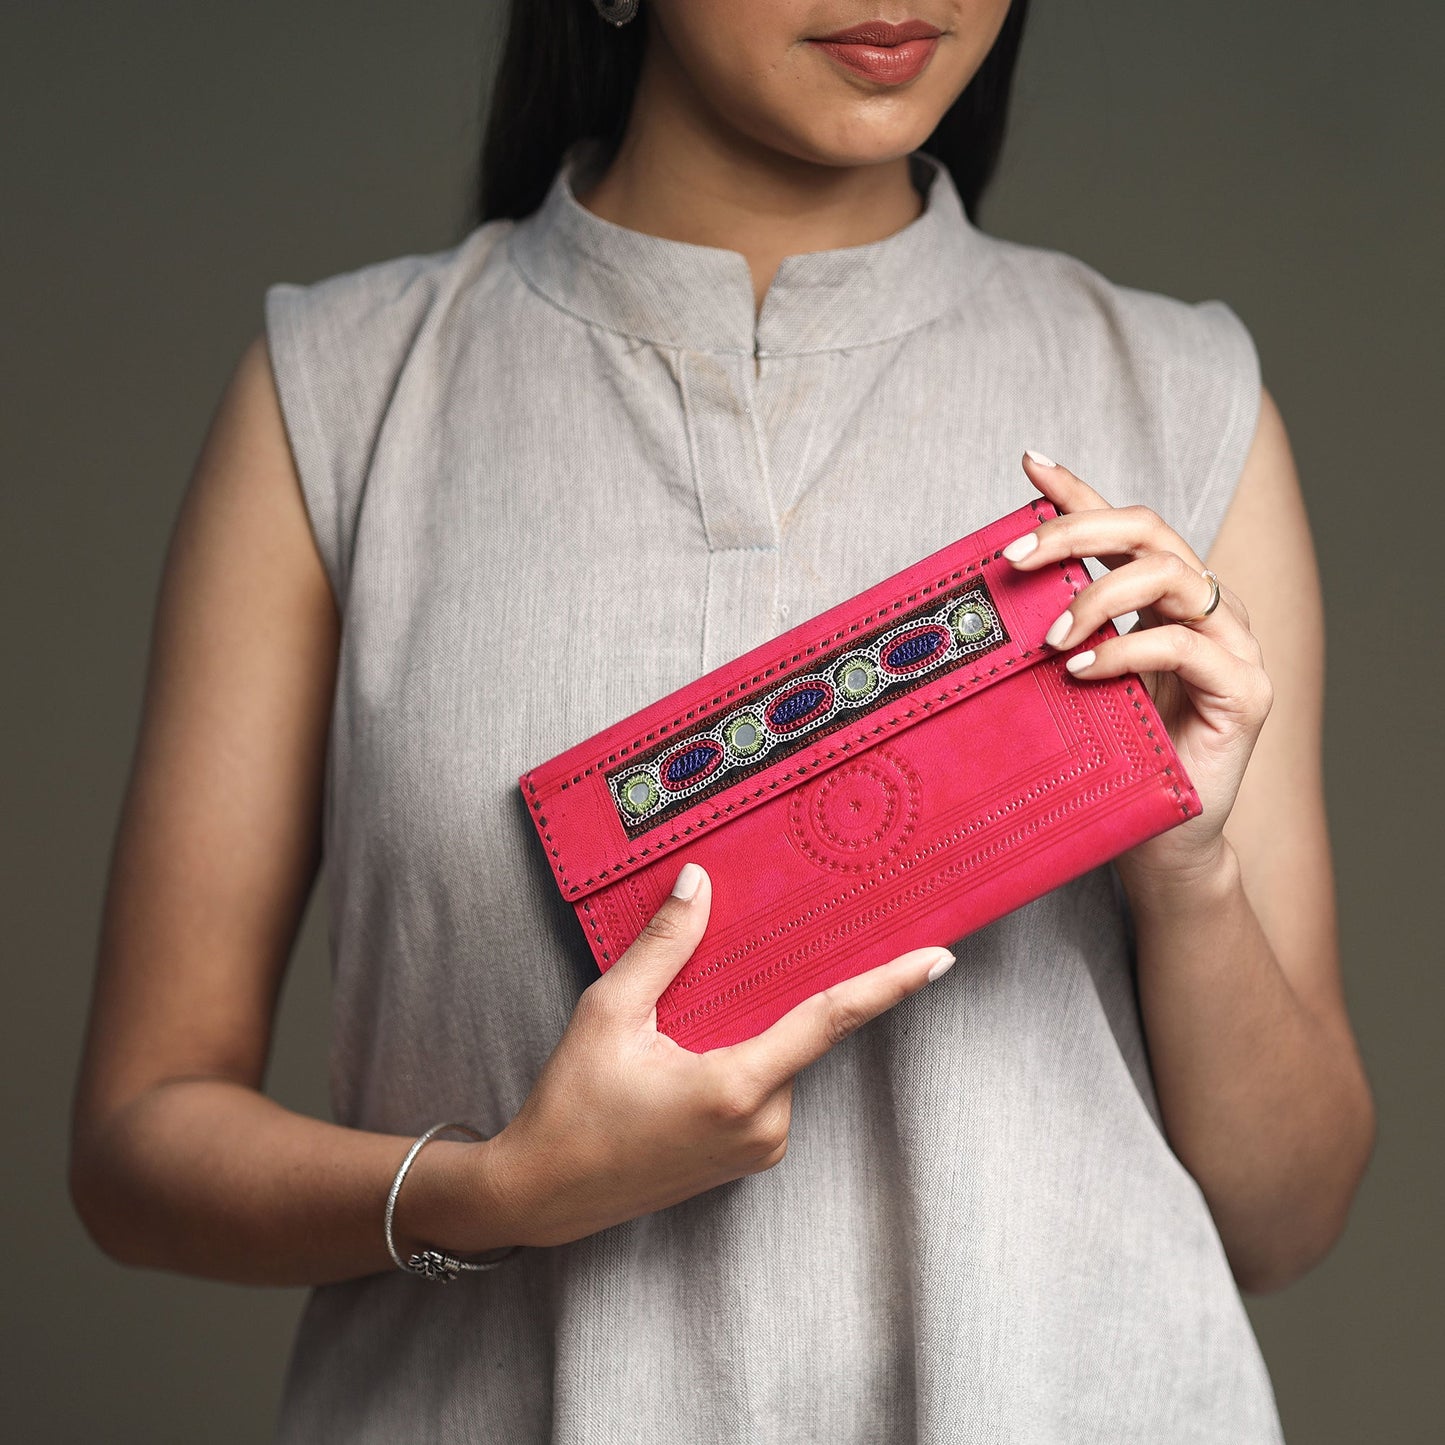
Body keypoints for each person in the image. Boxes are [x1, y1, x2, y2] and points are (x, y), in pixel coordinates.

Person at [69, 1, 1376, 1440]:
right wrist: (503, 1191)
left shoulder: (1182, 397)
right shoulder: (344, 397)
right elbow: (137, 1146)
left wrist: (1185, 867)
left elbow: (1285, 1214)